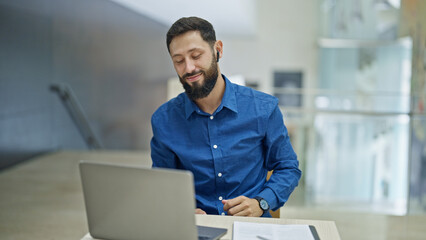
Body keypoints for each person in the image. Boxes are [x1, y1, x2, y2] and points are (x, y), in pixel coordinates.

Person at [150, 16, 301, 217]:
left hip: (251, 227)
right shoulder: (164, 120)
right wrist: (179, 209)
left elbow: (288, 168)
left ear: (218, 50)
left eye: (196, 55)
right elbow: (162, 184)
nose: (188, 68)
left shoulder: (263, 109)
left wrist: (262, 202)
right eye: (179, 61)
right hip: (195, 230)